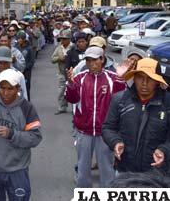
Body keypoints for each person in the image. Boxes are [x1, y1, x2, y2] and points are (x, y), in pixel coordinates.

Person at [65, 46, 130, 187]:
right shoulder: (78, 78)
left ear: (102, 59)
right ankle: (84, 193)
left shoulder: (112, 78)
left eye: (95, 60)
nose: (91, 64)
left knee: (107, 168)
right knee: (83, 168)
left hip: (105, 133)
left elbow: (120, 100)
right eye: (88, 60)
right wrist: (70, 84)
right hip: (83, 131)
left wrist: (120, 79)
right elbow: (72, 99)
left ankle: (107, 194)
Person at [0, 69, 42, 201]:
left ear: (18, 88)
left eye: (10, 89)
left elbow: (35, 137)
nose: (6, 93)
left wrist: (12, 134)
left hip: (16, 169)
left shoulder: (27, 108)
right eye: (2, 88)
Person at [103, 58, 170, 174]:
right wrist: (115, 142)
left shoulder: (167, 103)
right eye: (140, 77)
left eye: (150, 78)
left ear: (157, 81)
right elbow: (108, 128)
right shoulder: (119, 99)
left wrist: (164, 150)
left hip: (157, 173)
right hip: (124, 170)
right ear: (134, 77)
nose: (144, 83)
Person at [51, 30, 73, 115]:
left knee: (75, 91)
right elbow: (52, 59)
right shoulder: (59, 48)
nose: (62, 41)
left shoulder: (73, 47)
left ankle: (75, 109)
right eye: (61, 39)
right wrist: (59, 58)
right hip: (61, 73)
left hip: (72, 73)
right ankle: (62, 108)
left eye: (64, 39)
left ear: (69, 39)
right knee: (61, 91)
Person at [16, 32, 35, 101]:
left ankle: (27, 102)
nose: (18, 40)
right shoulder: (16, 47)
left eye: (20, 39)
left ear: (24, 39)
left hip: (26, 72)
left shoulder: (29, 48)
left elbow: (32, 62)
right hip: (17, 71)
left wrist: (25, 68)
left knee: (26, 88)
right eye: (17, 39)